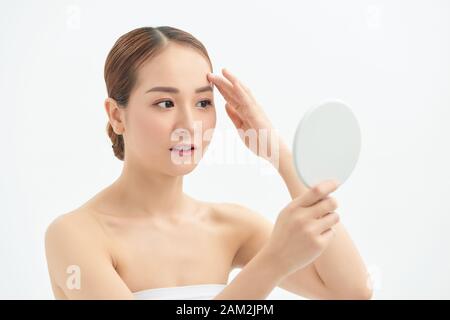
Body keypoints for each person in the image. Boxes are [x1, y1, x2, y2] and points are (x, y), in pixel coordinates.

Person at [44, 26, 372, 300]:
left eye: (203, 102)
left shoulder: (231, 226)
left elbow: (352, 290)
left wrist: (277, 152)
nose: (189, 123)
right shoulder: (75, 236)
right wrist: (273, 261)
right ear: (117, 115)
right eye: (165, 103)